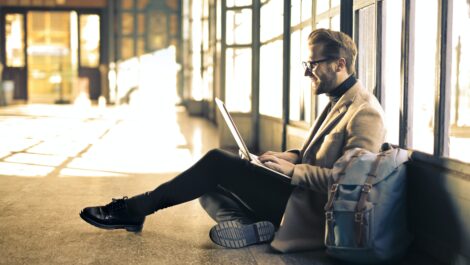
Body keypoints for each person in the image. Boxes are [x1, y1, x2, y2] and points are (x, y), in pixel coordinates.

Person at [80, 28, 385, 252]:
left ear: (339, 64)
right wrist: (289, 156)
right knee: (204, 186)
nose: (308, 72)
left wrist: (292, 171)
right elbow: (320, 153)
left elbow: (351, 184)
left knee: (216, 162)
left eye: (313, 64)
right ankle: (250, 227)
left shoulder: (364, 112)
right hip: (294, 194)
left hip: (309, 210)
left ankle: (134, 209)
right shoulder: (339, 99)